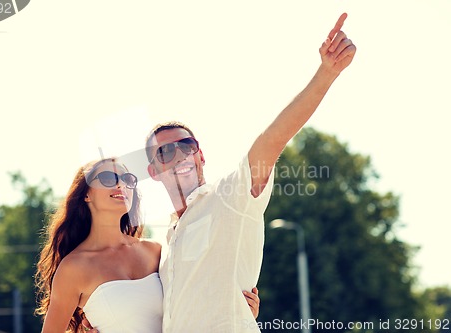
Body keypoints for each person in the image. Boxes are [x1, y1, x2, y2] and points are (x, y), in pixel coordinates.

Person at [145, 13, 356, 333]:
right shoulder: (167, 242)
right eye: (165, 152)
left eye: (186, 145)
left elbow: (273, 138)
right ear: (154, 171)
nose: (179, 155)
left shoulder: (230, 196)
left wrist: (326, 73)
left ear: (200, 154)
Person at [35, 157, 260, 333]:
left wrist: (238, 308)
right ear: (86, 195)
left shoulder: (156, 251)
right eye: (107, 178)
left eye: (127, 179)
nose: (121, 185)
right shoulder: (73, 268)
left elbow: (197, 294)